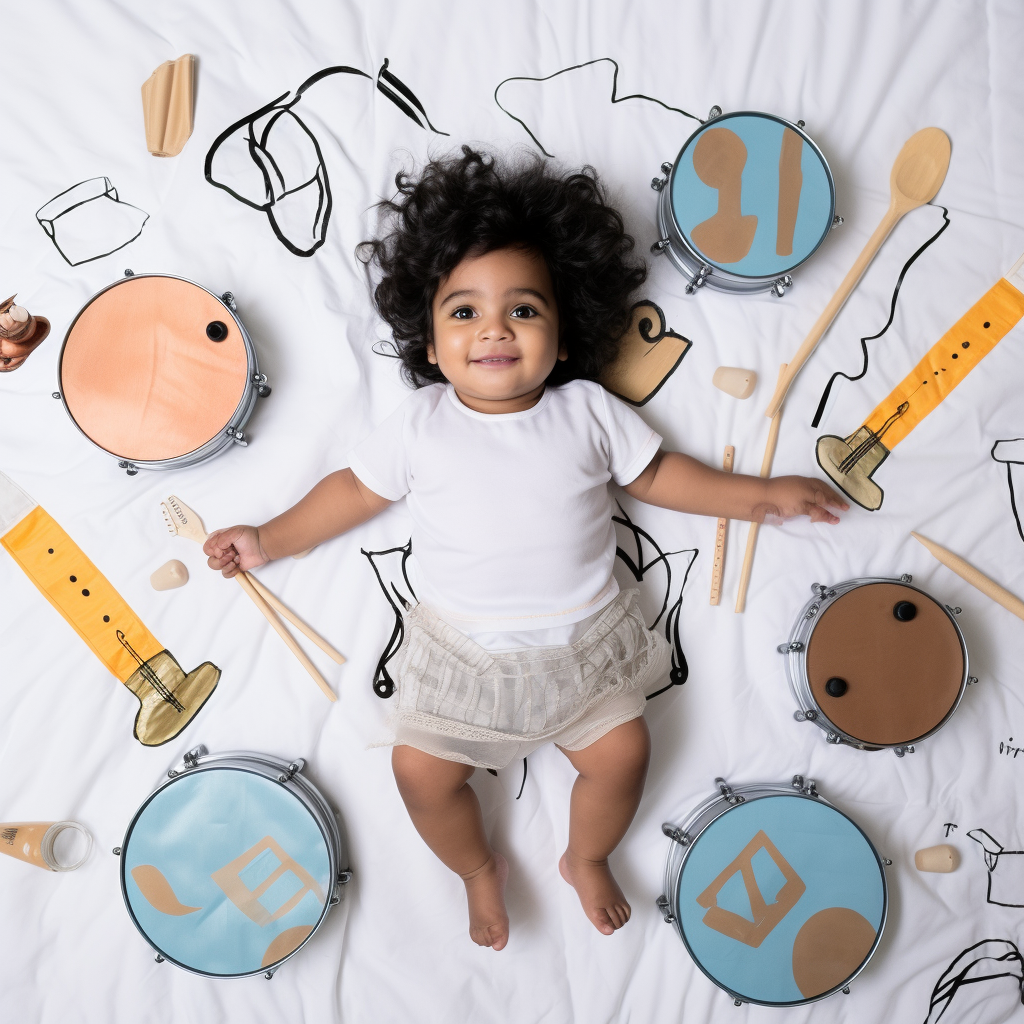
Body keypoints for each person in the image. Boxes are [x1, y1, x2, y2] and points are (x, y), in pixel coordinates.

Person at [204, 147, 848, 952]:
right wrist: (267, 537)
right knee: (420, 773)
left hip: (586, 652)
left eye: (525, 310)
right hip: (461, 663)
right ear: (430, 347)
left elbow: (663, 479)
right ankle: (477, 869)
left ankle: (587, 854)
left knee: (624, 754)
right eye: (464, 313)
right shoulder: (421, 424)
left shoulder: (587, 411)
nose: (495, 330)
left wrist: (762, 497)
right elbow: (352, 492)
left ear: (565, 334)